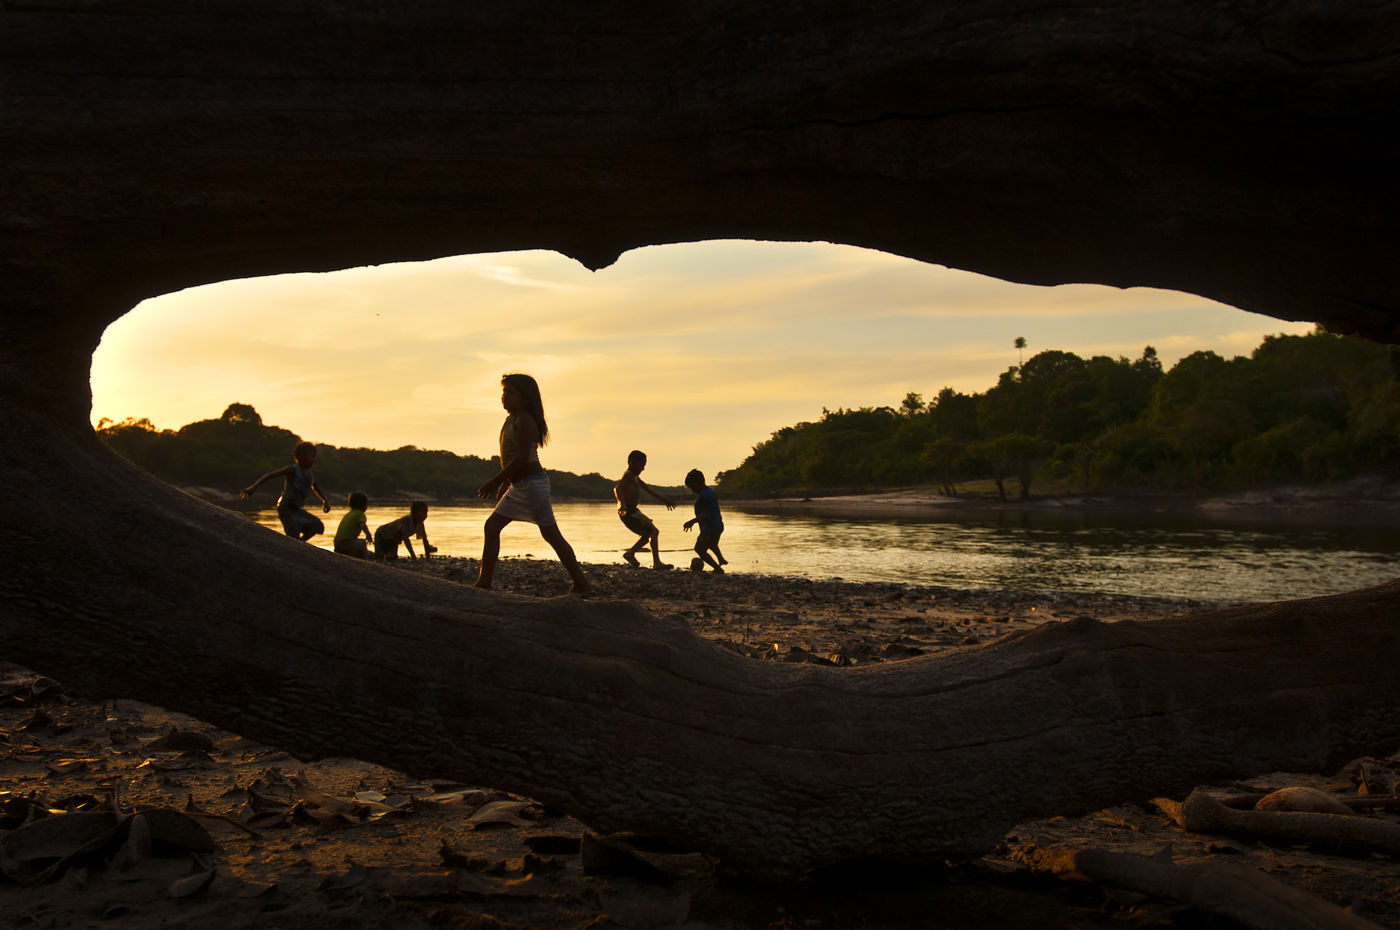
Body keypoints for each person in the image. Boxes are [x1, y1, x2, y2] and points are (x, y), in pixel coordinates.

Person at [474, 373, 592, 595]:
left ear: (525, 398)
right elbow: (510, 457)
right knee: (495, 527)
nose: (504, 396)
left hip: (532, 486)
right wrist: (506, 483)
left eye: (510, 392)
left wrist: (495, 481)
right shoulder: (511, 420)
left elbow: (521, 459)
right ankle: (485, 581)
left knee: (549, 535)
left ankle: (582, 583)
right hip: (520, 486)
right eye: (504, 391)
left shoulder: (525, 421)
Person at [240, 440, 331, 541]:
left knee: (317, 525)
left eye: (314, 457)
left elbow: (316, 487)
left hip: (297, 509)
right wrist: (253, 487)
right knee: (293, 532)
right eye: (311, 457)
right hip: (285, 508)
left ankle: (300, 544)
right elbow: (270, 476)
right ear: (301, 457)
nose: (314, 460)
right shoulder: (292, 470)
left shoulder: (309, 472)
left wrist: (325, 501)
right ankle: (295, 543)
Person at [614, 450, 676, 569]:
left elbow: (648, 489)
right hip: (629, 512)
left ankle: (630, 553)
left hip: (633, 511)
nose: (643, 468)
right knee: (653, 532)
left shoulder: (635, 477)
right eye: (641, 465)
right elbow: (617, 489)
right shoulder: (628, 475)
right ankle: (656, 563)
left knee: (647, 534)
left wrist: (664, 500)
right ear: (632, 463)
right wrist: (622, 504)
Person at [682, 469, 727, 573]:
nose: (692, 490)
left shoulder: (703, 497)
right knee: (712, 544)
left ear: (698, 483)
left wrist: (691, 522)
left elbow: (706, 514)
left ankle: (718, 568)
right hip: (718, 525)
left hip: (710, 527)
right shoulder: (710, 491)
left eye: (692, 487)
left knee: (699, 549)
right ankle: (721, 559)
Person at [333, 491, 373, 558]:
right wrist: (369, 535)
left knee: (356, 545)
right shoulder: (360, 514)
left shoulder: (348, 514)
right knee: (362, 543)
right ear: (364, 505)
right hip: (346, 543)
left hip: (337, 544)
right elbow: (363, 525)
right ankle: (366, 558)